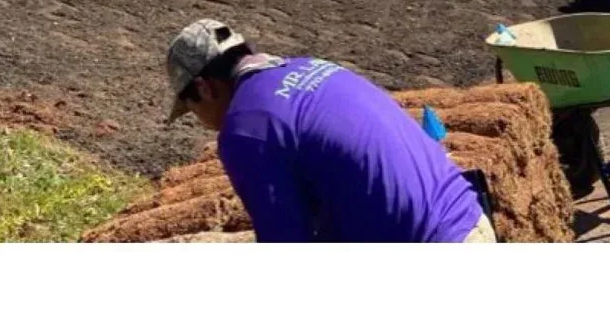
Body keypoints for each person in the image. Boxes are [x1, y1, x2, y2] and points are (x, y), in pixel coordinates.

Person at [165, 19, 496, 243]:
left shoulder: (246, 127)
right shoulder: (313, 66)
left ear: (204, 88)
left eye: (191, 108)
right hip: (471, 220)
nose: (202, 121)